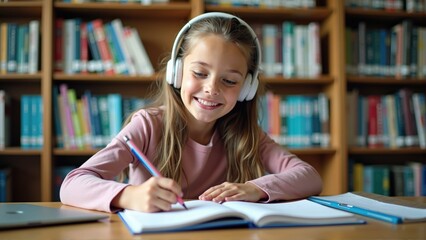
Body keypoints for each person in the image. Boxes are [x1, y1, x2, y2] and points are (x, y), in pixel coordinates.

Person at [60, 12, 322, 213]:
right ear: (177, 73)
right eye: (199, 73)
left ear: (247, 89)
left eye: (229, 81)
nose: (211, 89)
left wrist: (255, 189)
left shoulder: (247, 134)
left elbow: (309, 177)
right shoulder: (148, 125)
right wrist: (130, 196)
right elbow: (72, 184)